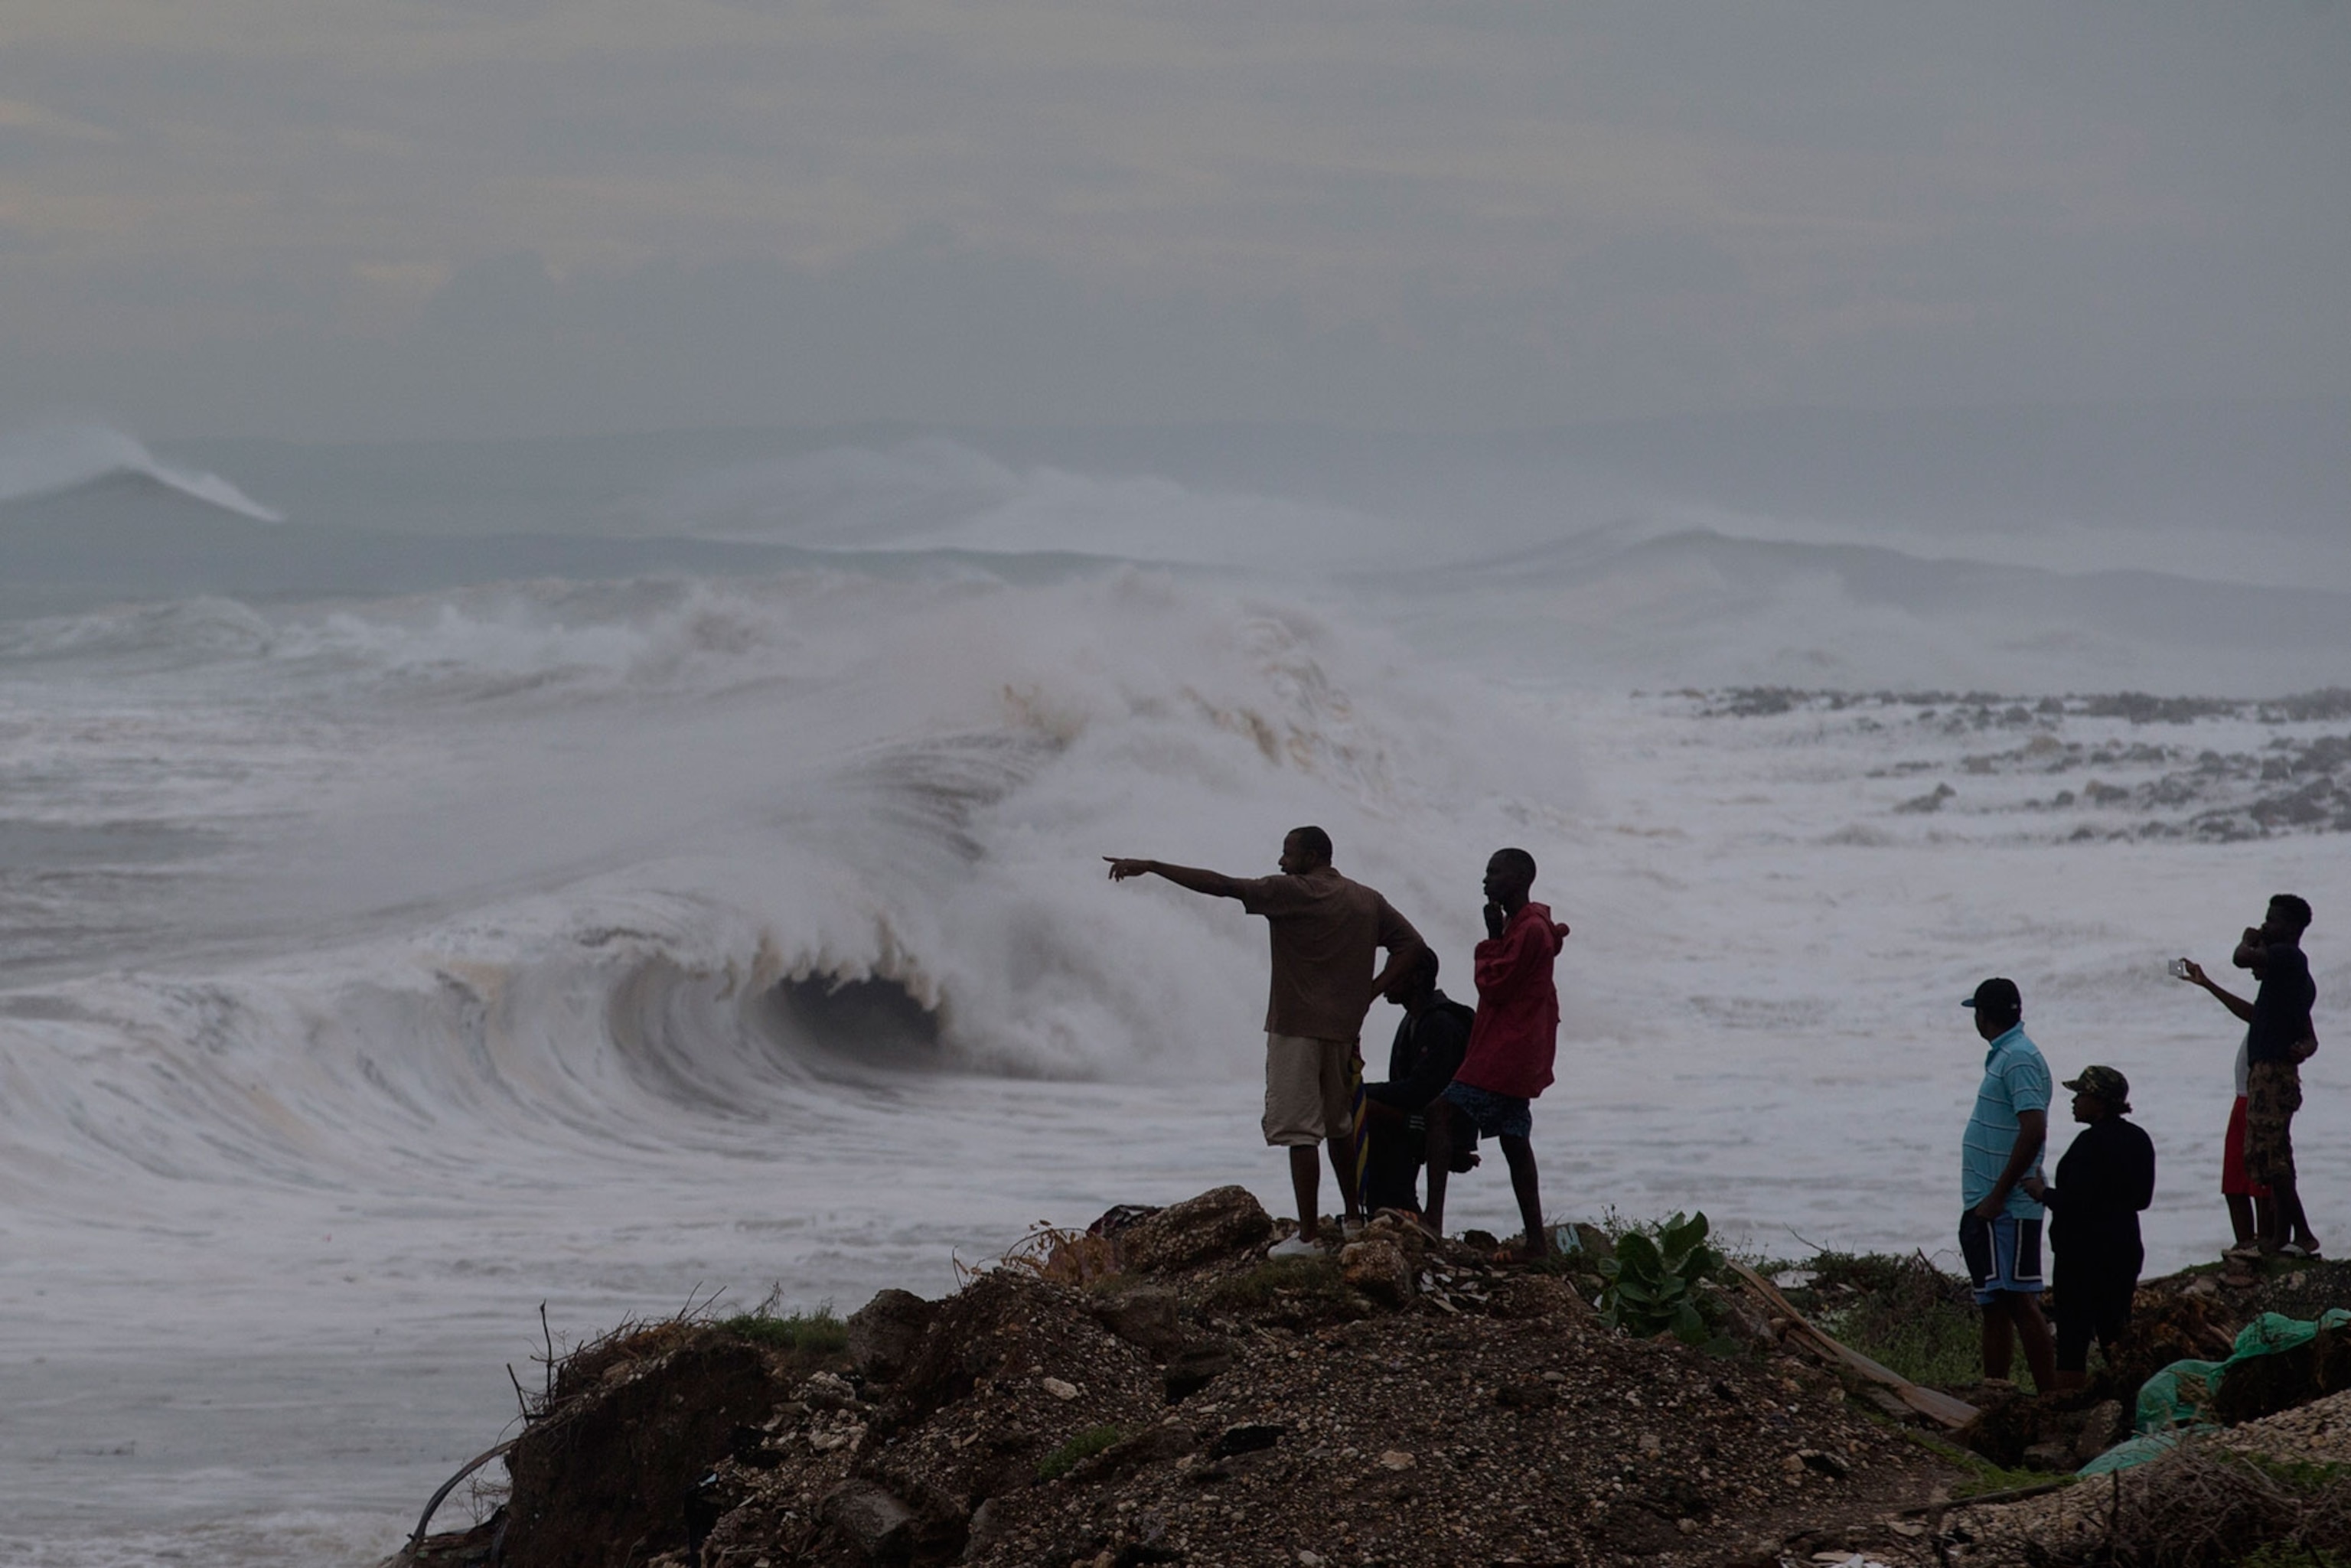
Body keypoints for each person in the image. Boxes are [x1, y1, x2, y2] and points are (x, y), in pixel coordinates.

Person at [1104, 827, 1427, 1257]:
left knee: (1300, 1132)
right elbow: (1414, 947)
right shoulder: (1368, 900)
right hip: (1344, 1031)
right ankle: (1353, 1219)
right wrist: (1368, 993)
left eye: (1287, 854)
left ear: (1311, 856)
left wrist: (1155, 867)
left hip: (1296, 1027)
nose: (1280, 862)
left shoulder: (1291, 892)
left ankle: (1309, 1237)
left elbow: (1222, 886)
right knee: (1340, 1126)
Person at [1422, 847, 1568, 1258]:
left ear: (1519, 880)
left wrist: (1490, 938)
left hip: (1509, 1049)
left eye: (1494, 873)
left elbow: (1495, 984)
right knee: (1514, 1139)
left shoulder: (1530, 931)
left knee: (1440, 1112)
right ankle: (1537, 1243)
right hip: (1515, 1047)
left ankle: (1433, 1221)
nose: (1486, 881)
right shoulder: (1524, 927)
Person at [2021, 1065, 2156, 1390]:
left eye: (2080, 1095)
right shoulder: (2138, 1139)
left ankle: (2068, 1413)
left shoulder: (2089, 1144)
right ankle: (2132, 1401)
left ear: (2099, 1101)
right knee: (2116, 1331)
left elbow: (2075, 1202)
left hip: (2082, 1255)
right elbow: (2142, 1199)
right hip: (2124, 1248)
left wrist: (2041, 1193)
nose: (2074, 1101)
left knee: (2074, 1336)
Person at [1958, 976, 2059, 1392]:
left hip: (2007, 1205)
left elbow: (2034, 1128)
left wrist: (1999, 1194)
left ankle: (2049, 1396)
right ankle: (1996, 1391)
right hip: (1989, 1202)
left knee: (2020, 1300)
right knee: (1994, 1304)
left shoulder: (2017, 1058)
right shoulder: (2007, 1056)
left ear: (1983, 1017)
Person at [1358, 949, 1476, 1215]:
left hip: (1443, 1128)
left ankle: (1399, 1206)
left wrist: (1359, 1091)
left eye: (1393, 973)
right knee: (1360, 1106)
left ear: (1417, 978)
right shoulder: (1414, 1019)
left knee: (1366, 1108)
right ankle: (1386, 1204)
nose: (1385, 980)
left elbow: (1421, 1090)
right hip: (1420, 1118)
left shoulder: (1441, 1022)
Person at [2233, 895, 2320, 1257]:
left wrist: (2250, 937)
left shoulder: (2289, 957)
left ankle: (2300, 1233)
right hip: (2274, 1070)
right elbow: (2307, 1031)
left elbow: (2241, 958)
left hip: (2271, 1073)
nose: (2266, 924)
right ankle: (2283, 1236)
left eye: (2273, 920)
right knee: (2276, 1153)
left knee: (2269, 1154)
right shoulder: (2292, 975)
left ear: (2292, 928)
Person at [2176, 957, 2274, 1253]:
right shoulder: (2274, 993)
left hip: (2257, 1099)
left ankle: (2266, 1242)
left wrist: (2208, 984)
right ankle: (2246, 1243)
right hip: (2243, 1096)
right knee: (2235, 1181)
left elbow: (2254, 1016)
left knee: (2260, 1183)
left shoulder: (2279, 998)